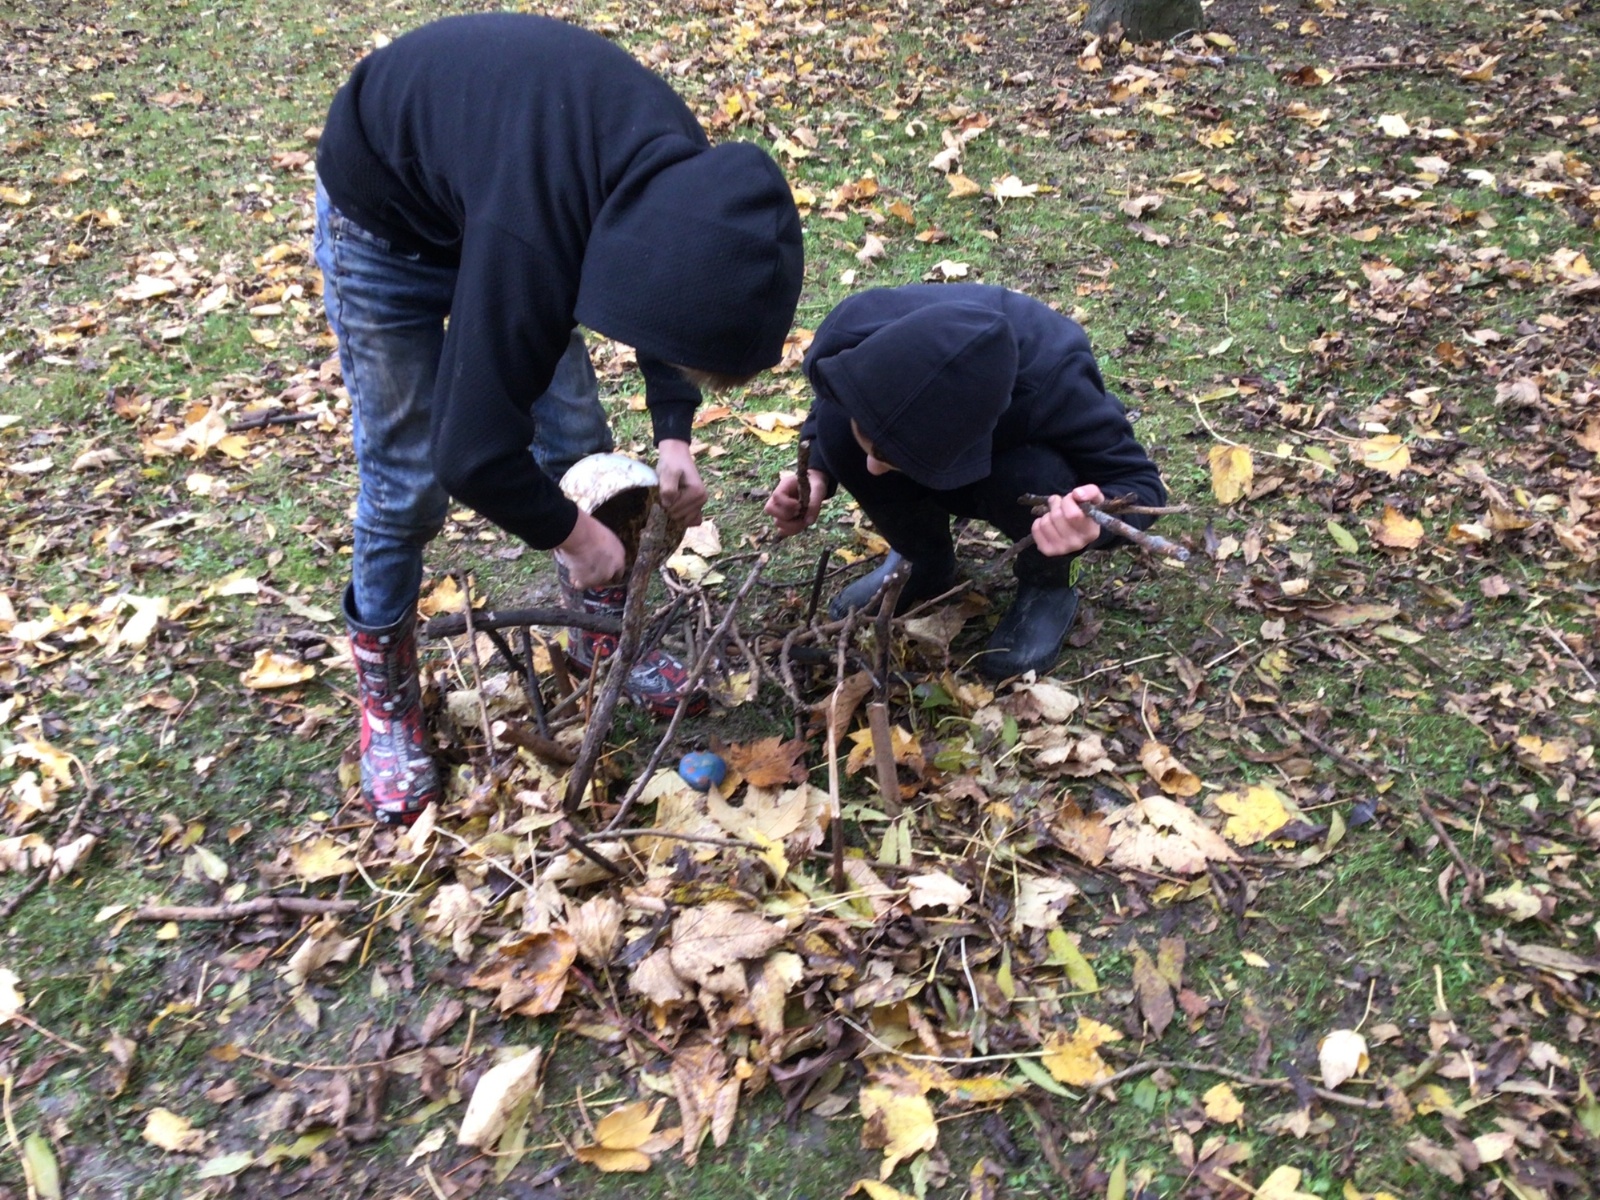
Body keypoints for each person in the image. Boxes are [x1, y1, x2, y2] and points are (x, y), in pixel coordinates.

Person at [313, 14, 804, 824]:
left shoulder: (693, 187)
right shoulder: (533, 236)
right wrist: (572, 535)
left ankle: (598, 634)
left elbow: (674, 308)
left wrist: (674, 433)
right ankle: (387, 701)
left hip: (499, 182)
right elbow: (471, 453)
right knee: (407, 485)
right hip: (386, 222)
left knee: (578, 443)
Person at [764, 284, 1165, 681]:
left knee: (1031, 475)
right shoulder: (854, 328)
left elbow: (1140, 483)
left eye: (890, 458)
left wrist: (1089, 523)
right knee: (838, 430)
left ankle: (1049, 585)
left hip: (1016, 454)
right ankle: (922, 559)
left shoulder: (1055, 383)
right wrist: (817, 470)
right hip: (932, 407)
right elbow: (838, 393)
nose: (871, 469)